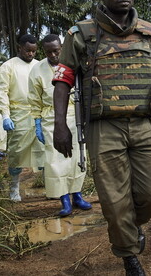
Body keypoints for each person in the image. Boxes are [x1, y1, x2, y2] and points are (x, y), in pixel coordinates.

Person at [52, 0, 151, 276]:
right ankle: (129, 256)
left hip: (144, 123)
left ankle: (126, 226)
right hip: (103, 127)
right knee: (114, 200)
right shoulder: (81, 34)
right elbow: (63, 80)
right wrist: (61, 125)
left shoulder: (148, 33)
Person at [29, 34, 92, 216]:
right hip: (51, 118)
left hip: (76, 115)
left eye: (56, 50)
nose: (53, 55)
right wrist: (37, 121)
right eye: (49, 52)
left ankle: (77, 195)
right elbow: (34, 97)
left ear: (62, 47)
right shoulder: (37, 70)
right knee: (55, 159)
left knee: (77, 157)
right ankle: (64, 199)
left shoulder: (75, 64)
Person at [0, 34, 45, 202]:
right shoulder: (8, 66)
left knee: (45, 150)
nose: (31, 54)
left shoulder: (40, 66)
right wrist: (6, 115)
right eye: (27, 50)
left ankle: (50, 186)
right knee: (17, 152)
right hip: (18, 114)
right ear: (19, 48)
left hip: (39, 114)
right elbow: (1, 92)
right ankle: (14, 187)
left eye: (34, 51)